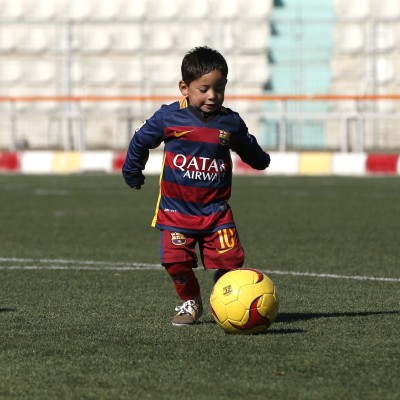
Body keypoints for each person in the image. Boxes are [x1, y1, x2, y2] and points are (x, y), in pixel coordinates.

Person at [122, 46, 270, 326]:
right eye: (204, 89)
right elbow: (141, 140)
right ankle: (190, 301)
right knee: (175, 262)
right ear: (184, 88)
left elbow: (248, 146)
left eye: (219, 88)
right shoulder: (169, 117)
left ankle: (226, 293)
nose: (212, 96)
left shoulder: (230, 122)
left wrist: (260, 160)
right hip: (176, 212)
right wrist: (133, 172)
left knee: (232, 263)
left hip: (216, 212)